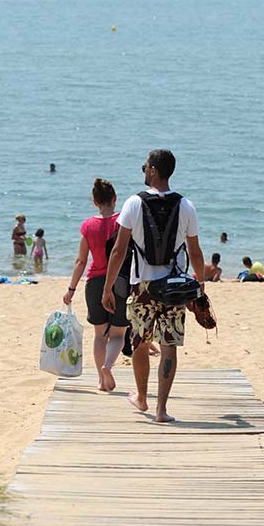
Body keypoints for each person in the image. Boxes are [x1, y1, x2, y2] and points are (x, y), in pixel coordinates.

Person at [103, 149, 204, 423]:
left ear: (154, 171)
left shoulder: (134, 203)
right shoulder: (186, 206)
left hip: (143, 286)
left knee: (140, 342)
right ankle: (161, 410)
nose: (143, 169)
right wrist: (201, 283)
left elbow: (118, 251)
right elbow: (195, 251)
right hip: (174, 286)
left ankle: (142, 397)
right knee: (169, 345)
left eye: (145, 166)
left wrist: (108, 287)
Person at [63, 178, 130, 392]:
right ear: (114, 199)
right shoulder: (123, 222)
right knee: (118, 334)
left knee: (100, 334)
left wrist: (71, 289)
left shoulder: (88, 226)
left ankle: (101, 381)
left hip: (94, 283)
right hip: (120, 281)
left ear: (94, 201)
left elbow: (81, 261)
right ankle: (107, 365)